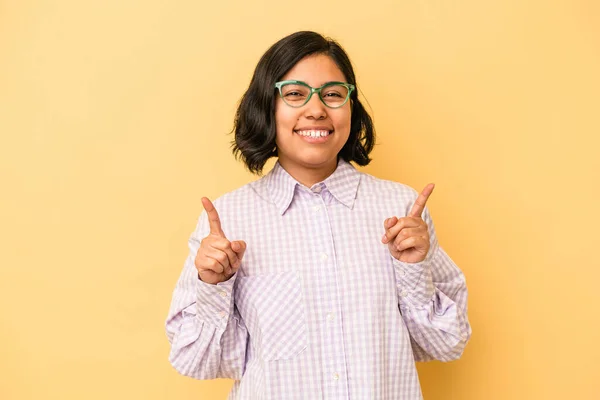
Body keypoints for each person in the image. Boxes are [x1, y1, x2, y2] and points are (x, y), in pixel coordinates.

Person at [165, 30, 472, 400]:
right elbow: (196, 360)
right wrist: (213, 285)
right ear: (267, 107)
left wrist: (412, 271)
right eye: (295, 93)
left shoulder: (402, 211)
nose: (316, 109)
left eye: (332, 94)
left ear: (351, 107)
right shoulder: (229, 219)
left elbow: (446, 344)